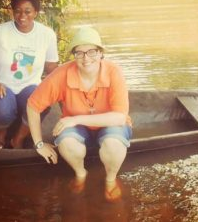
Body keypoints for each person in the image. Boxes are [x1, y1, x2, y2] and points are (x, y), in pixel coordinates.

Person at [27, 27, 132, 202]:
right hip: (77, 128)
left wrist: (75, 119)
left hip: (109, 126)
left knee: (113, 144)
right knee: (66, 143)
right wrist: (38, 144)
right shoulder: (62, 74)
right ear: (74, 55)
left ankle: (110, 179)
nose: (86, 58)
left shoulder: (114, 72)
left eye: (92, 51)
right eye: (79, 53)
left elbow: (120, 117)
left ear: (101, 53)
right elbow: (32, 105)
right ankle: (80, 173)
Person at [0, 0, 59, 149]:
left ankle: (18, 138)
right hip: (2, 85)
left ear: (36, 12)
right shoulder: (0, 32)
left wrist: (60, 88)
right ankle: (0, 136)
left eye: (28, 11)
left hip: (29, 87)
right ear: (12, 11)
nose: (22, 16)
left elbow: (51, 66)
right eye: (17, 11)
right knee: (1, 107)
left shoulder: (47, 34)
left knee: (42, 101)